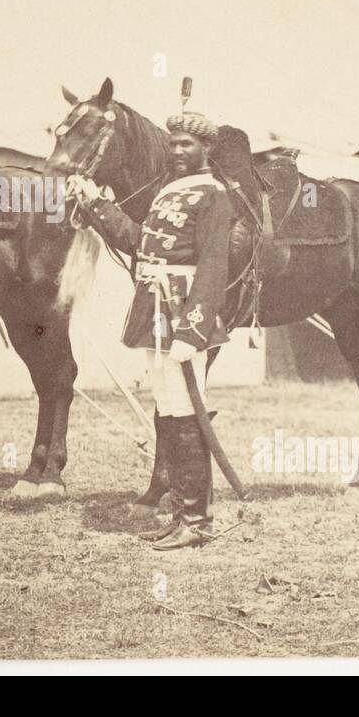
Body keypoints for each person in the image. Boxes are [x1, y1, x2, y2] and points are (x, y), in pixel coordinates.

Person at [73, 109, 234, 549]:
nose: (177, 150)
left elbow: (214, 266)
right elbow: (138, 240)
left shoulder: (213, 194)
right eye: (174, 142)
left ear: (206, 150)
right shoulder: (168, 192)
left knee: (186, 413)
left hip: (183, 313)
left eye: (187, 144)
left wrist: (193, 330)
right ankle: (181, 515)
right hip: (155, 308)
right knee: (169, 408)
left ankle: (198, 522)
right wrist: (95, 203)